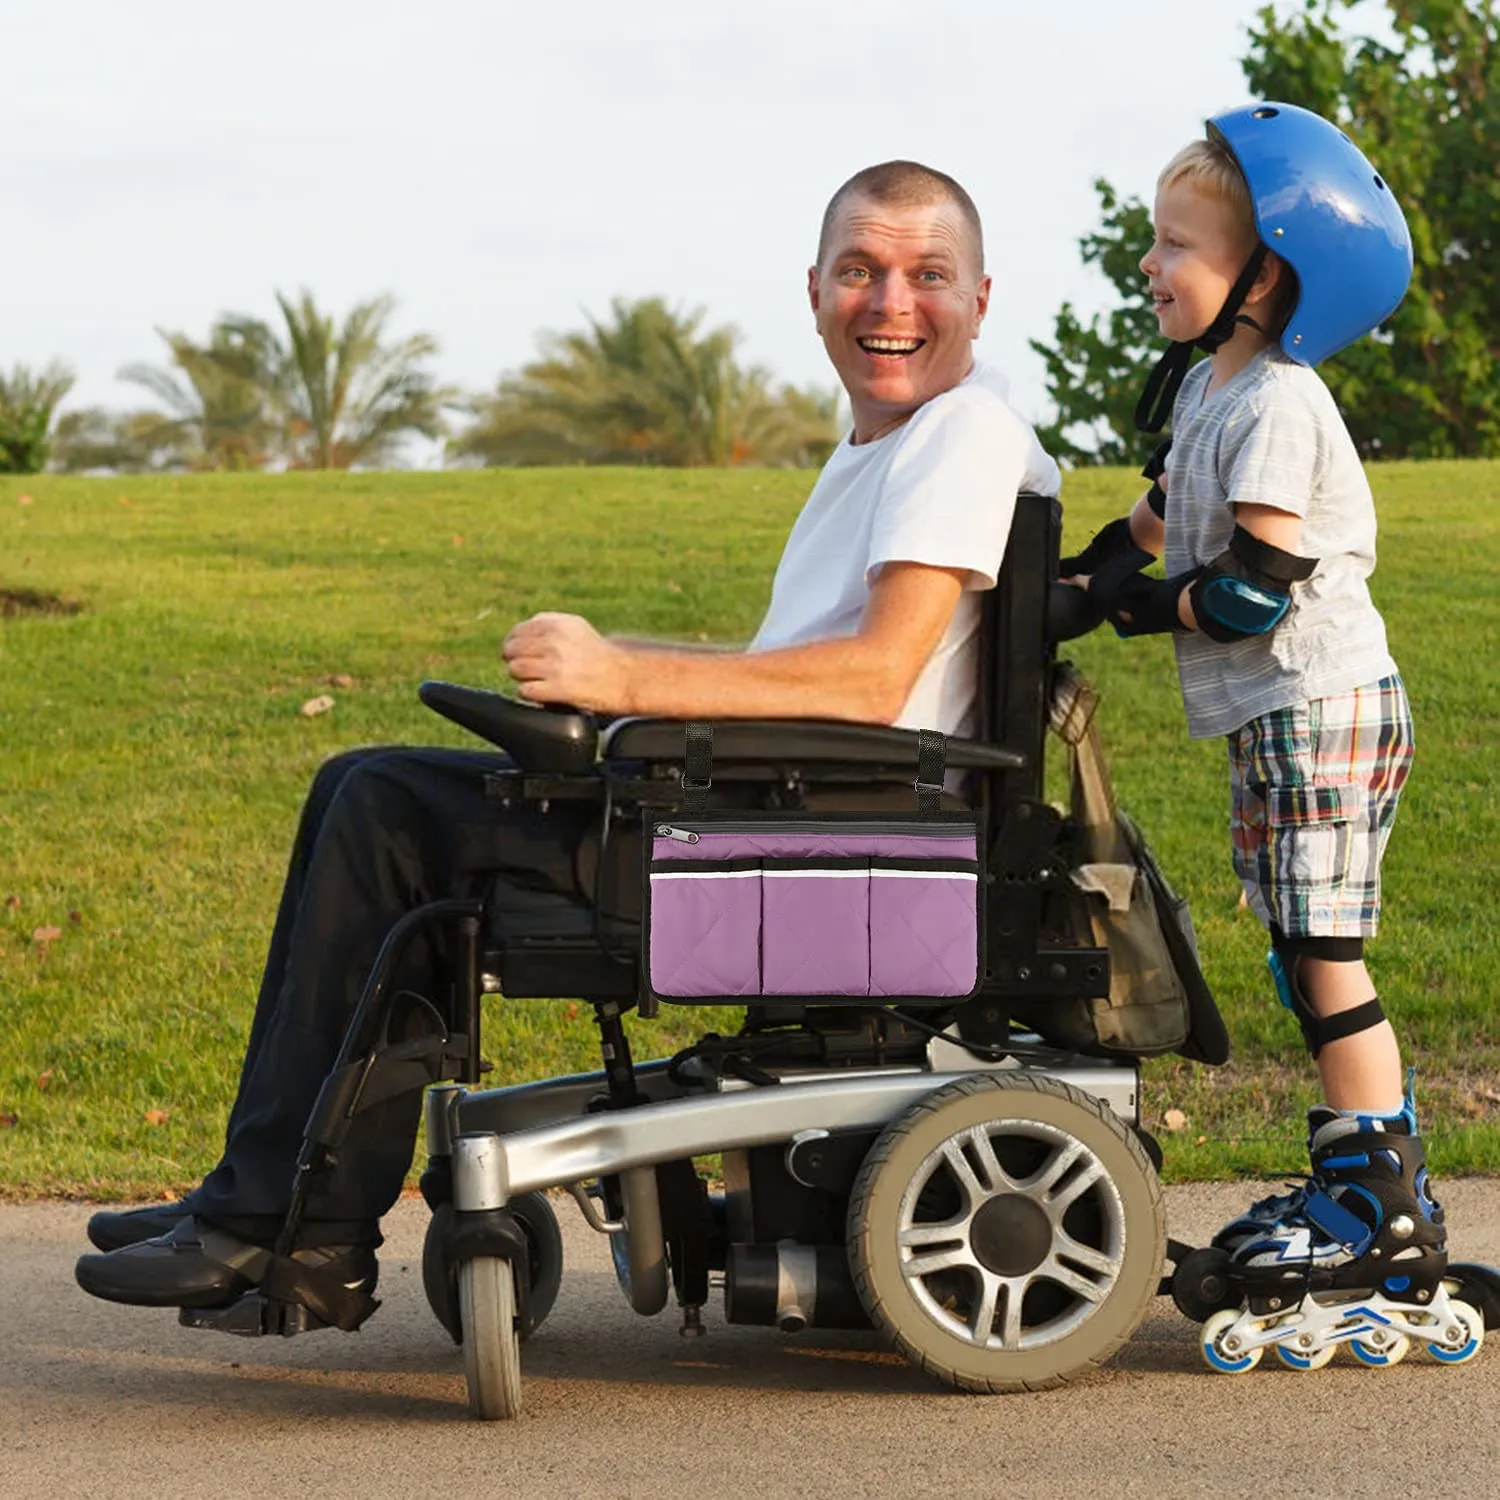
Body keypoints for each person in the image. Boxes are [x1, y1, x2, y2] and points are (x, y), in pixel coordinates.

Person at [75, 160, 1061, 1321]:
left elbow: (876, 675)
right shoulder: (890, 449)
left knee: (386, 812)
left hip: (830, 842)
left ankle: (285, 1229)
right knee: (363, 788)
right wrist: (611, 680)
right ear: (813, 291)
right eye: (862, 270)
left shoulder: (960, 436)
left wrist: (624, 678)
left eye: (927, 275)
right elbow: (790, 671)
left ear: (981, 301)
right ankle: (258, 1203)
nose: (892, 301)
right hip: (794, 812)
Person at [1062, 103, 1444, 1328]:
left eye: (1177, 244)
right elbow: (1160, 527)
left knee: (1323, 952)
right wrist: (1063, 588)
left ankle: (1379, 1191)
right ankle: (1362, 1173)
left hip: (1320, 702)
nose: (1151, 264)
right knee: (1300, 946)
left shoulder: (1282, 402)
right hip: (1284, 716)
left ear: (1267, 277)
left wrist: (1136, 611)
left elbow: (1243, 593)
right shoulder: (1214, 391)